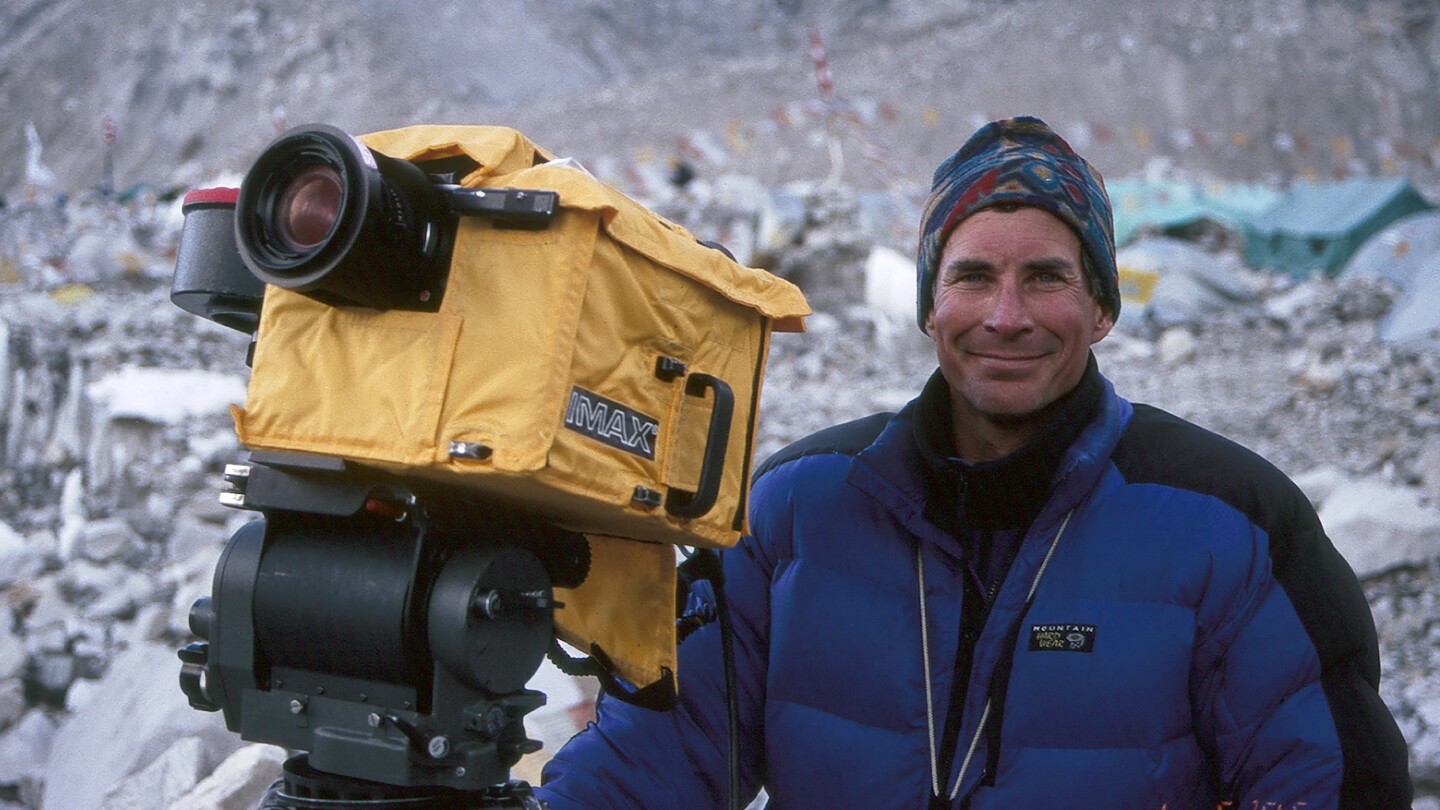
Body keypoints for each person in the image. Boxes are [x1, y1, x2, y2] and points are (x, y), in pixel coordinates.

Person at [535, 116, 1412, 808]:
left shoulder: (1232, 526)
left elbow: (1329, 782)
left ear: (1102, 307)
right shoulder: (799, 511)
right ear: (927, 304)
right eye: (971, 278)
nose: (1005, 315)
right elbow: (656, 759)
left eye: (1046, 277)